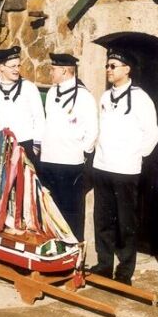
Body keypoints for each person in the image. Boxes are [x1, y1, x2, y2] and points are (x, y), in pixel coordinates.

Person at [92, 49, 158, 285]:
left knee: (125, 222)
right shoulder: (104, 97)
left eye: (113, 66)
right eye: (107, 66)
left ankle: (125, 269)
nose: (108, 70)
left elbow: (152, 135)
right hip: (102, 167)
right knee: (103, 220)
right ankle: (104, 263)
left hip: (126, 170)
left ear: (126, 69)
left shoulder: (141, 99)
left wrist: (133, 156)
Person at [40, 53, 98, 240]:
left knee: (71, 209)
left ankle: (73, 250)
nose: (51, 72)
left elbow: (92, 130)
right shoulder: (51, 93)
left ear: (64, 71)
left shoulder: (84, 96)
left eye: (54, 69)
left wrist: (80, 151)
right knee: (51, 208)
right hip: (49, 160)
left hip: (70, 163)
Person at [0, 45, 45, 160]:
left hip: (27, 144)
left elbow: (39, 117)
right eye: (12, 66)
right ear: (1, 67)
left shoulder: (29, 87)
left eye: (18, 66)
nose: (16, 70)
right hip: (3, 145)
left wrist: (37, 144)